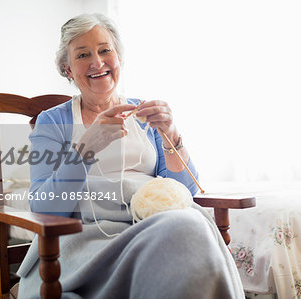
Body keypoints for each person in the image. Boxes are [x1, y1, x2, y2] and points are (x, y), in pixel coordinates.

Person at [17, 13, 244, 298]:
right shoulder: (52, 122)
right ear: (67, 69)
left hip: (150, 229)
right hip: (85, 241)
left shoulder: (142, 112)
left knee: (190, 224)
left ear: (119, 58)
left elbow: (183, 191)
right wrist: (87, 147)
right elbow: (45, 207)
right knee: (187, 228)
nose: (97, 62)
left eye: (104, 50)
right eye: (83, 54)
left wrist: (171, 135)